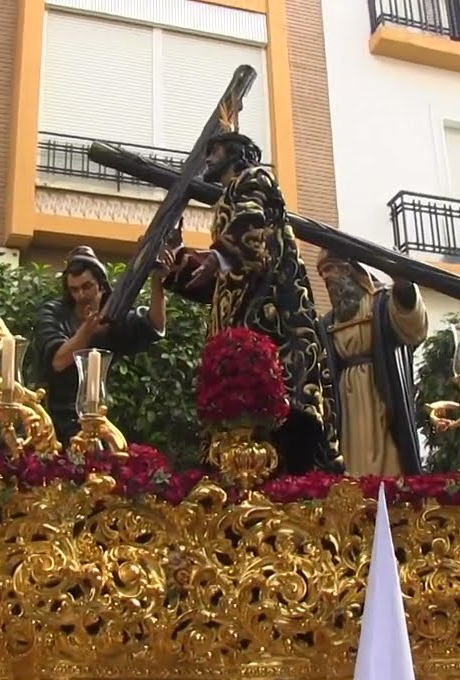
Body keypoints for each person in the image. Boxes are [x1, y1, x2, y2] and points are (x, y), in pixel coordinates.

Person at [163, 126, 343, 475]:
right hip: (243, 339)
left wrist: (217, 257)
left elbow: (249, 228)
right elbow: (223, 284)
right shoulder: (229, 200)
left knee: (282, 444)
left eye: (213, 151)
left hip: (274, 330)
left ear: (235, 152)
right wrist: (178, 265)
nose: (208, 159)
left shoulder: (254, 178)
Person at [31, 245, 172, 443]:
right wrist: (86, 332)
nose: (81, 295)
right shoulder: (52, 313)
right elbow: (58, 361)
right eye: (74, 289)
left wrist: (156, 279)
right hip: (51, 416)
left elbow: (154, 324)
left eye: (87, 286)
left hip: (96, 414)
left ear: (101, 285)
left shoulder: (113, 316)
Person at [316, 251, 429, 477]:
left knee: (387, 450)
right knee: (350, 452)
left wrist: (404, 290)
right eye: (321, 273)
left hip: (380, 387)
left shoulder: (381, 302)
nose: (325, 277)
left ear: (347, 269)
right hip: (345, 400)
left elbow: (412, 327)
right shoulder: (329, 321)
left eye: (329, 269)